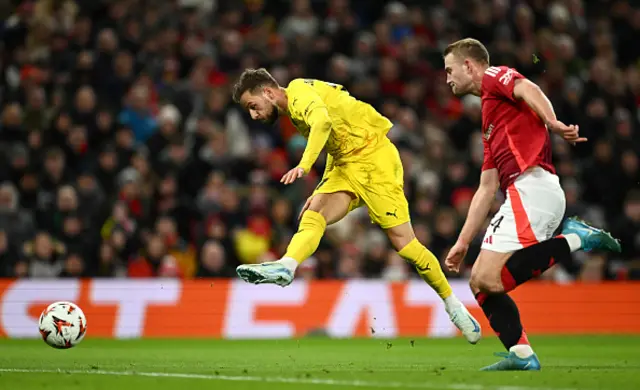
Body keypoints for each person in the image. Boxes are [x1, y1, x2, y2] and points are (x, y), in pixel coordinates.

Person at [231, 68, 481, 344]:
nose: (253, 115)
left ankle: (453, 304)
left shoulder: (299, 93)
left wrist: (304, 166)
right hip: (345, 165)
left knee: (406, 245)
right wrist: (322, 186)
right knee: (315, 211)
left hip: (375, 160)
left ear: (267, 92)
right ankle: (287, 266)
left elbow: (323, 124)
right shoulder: (295, 107)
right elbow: (332, 140)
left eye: (253, 107)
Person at [442, 38, 622, 370]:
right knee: (480, 283)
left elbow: (529, 88)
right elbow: (485, 188)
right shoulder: (490, 117)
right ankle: (522, 355)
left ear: (469, 65)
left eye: (450, 70)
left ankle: (577, 237)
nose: (448, 79)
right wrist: (462, 242)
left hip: (533, 187)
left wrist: (552, 123)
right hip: (525, 192)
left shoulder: (496, 76)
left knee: (489, 280)